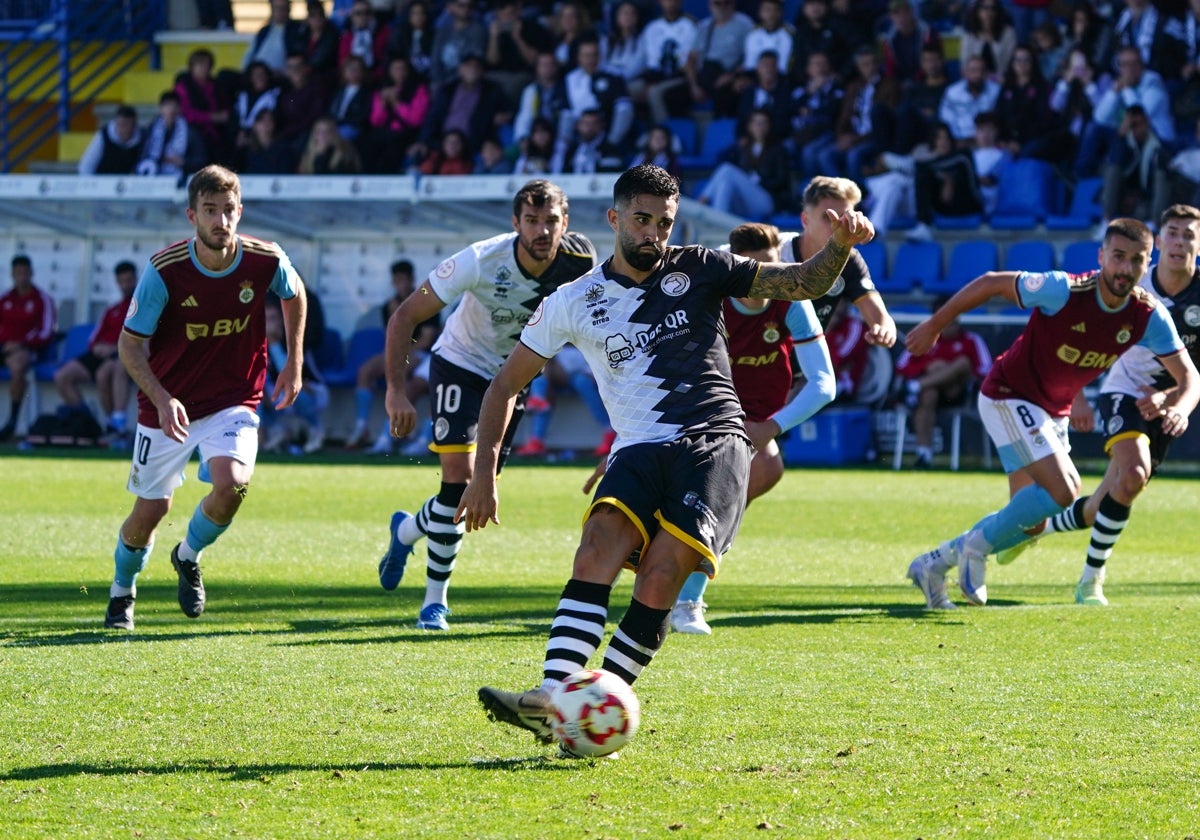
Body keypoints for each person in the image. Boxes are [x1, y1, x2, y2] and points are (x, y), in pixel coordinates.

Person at [457, 164, 872, 750]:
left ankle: (594, 705)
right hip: (637, 445)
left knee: (661, 576)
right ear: (615, 219)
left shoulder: (701, 266)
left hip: (716, 441)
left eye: (664, 223)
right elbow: (502, 387)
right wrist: (483, 476)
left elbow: (801, 282)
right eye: (642, 220)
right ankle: (552, 698)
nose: (653, 234)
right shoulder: (573, 300)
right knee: (597, 544)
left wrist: (839, 248)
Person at [904, 217, 1198, 611]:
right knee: (1065, 489)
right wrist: (935, 326)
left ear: (1148, 263)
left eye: (1136, 261)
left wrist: (1178, 404)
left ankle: (933, 565)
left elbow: (1189, 376)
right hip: (1009, 395)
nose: (1126, 269)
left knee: (1032, 522)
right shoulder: (1064, 289)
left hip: (1050, 411)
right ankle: (975, 548)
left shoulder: (1148, 315)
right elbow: (992, 281)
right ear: (1101, 257)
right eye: (1118, 257)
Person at [378, 180, 598, 631]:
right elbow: (405, 316)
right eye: (531, 221)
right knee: (459, 483)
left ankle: (405, 531)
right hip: (460, 364)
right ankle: (433, 603)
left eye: (551, 221)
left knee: (474, 492)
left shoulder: (581, 263)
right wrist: (396, 390)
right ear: (515, 223)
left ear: (565, 223)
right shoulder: (479, 260)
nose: (542, 230)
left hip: (514, 379)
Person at [102, 164, 308, 631]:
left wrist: (295, 360)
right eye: (210, 211)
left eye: (228, 210)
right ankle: (121, 593)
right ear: (191, 215)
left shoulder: (265, 259)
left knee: (232, 484)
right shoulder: (164, 272)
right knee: (151, 511)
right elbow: (129, 345)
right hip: (167, 404)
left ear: (240, 211)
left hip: (234, 397)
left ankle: (187, 555)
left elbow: (295, 295)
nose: (221, 221)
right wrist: (159, 396)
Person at [997, 205, 1200, 605]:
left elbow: (1191, 373)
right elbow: (1081, 340)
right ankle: (1091, 582)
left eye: (1189, 235)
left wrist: (1173, 400)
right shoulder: (1134, 286)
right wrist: (1078, 396)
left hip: (1173, 400)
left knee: (1100, 504)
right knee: (1134, 472)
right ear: (1157, 244)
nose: (1180, 242)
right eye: (1172, 233)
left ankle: (1030, 529)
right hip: (1124, 389)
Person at [661, 221, 836, 634]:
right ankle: (667, 582)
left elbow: (824, 383)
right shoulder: (710, 295)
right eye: (754, 270)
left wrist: (771, 427)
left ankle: (685, 597)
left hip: (752, 421)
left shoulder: (791, 299)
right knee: (713, 497)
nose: (765, 279)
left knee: (742, 486)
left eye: (773, 268)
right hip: (700, 408)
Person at [779, 176, 896, 348]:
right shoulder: (773, 252)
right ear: (805, 220)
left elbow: (881, 319)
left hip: (803, 361)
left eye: (844, 218)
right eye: (828, 217)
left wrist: (884, 331)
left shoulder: (850, 261)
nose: (837, 226)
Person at [346, 259, 440, 453]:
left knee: (401, 376)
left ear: (412, 279)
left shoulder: (426, 299)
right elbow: (389, 335)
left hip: (419, 354)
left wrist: (402, 350)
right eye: (397, 280)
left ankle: (397, 434)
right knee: (366, 370)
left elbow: (426, 340)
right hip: (397, 352)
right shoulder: (389, 305)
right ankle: (361, 426)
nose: (401, 284)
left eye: (405, 279)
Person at [893, 294, 992, 469]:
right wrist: (930, 367)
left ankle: (915, 387)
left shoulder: (971, 341)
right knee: (930, 392)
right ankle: (924, 455)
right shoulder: (924, 339)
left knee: (962, 363)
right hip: (930, 398)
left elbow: (985, 371)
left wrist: (947, 368)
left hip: (959, 393)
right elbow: (902, 367)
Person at [52, 260, 138, 444]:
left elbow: (145, 339)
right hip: (100, 353)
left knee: (107, 372)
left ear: (135, 279)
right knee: (62, 376)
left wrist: (114, 348)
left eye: (129, 280)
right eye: (122, 281)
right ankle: (88, 423)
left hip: (122, 354)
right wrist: (98, 348)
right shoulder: (112, 309)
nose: (125, 285)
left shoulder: (143, 306)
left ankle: (117, 424)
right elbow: (93, 339)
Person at [0, 255, 57, 441]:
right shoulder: (5, 298)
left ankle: (12, 422)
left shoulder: (42, 299)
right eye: (18, 273)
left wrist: (22, 343)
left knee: (18, 365)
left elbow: (47, 332)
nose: (22, 276)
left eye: (25, 272)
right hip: (4, 348)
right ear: (12, 274)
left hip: (29, 350)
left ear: (31, 273)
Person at [77, 105, 145, 176]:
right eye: (122, 125)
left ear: (135, 125)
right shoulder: (103, 137)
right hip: (101, 181)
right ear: (116, 123)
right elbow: (85, 167)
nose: (125, 129)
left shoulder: (142, 138)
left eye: (129, 125)